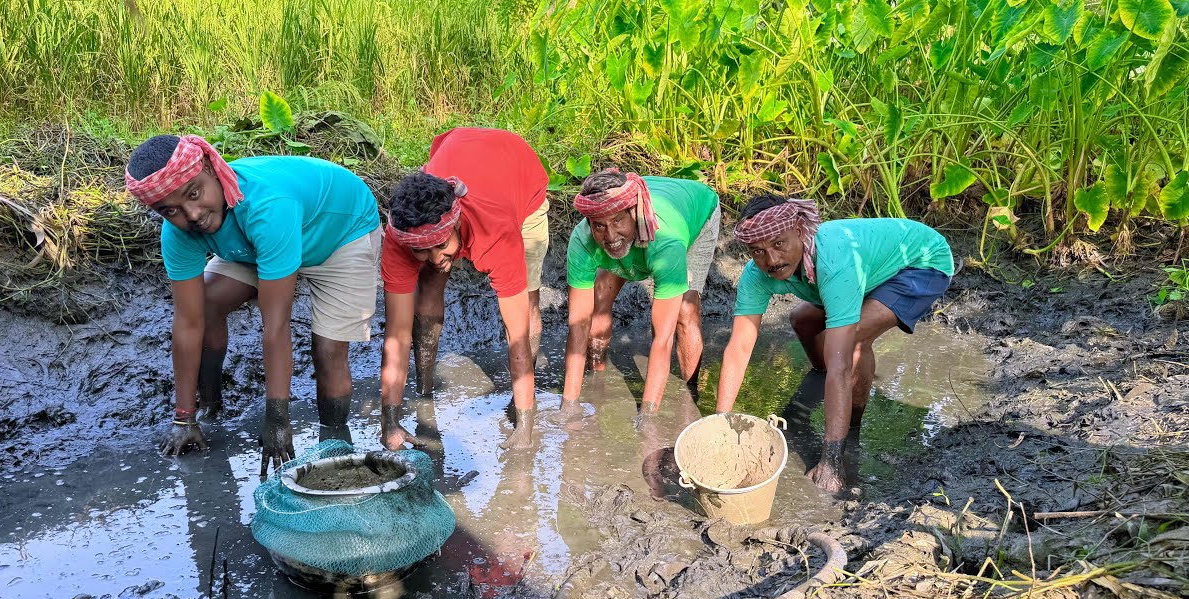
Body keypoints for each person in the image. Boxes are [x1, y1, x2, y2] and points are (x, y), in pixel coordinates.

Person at [125, 134, 382, 472]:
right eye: (170, 210)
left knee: (328, 350)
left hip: (339, 231)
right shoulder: (180, 231)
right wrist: (183, 419)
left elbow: (275, 325)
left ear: (211, 169)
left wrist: (277, 419)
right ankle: (211, 408)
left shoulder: (266, 206)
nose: (192, 215)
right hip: (257, 241)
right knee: (207, 304)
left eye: (194, 193)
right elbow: (188, 323)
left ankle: (334, 444)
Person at [716, 195, 954, 491]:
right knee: (802, 321)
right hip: (866, 269)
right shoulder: (757, 274)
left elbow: (842, 363)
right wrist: (719, 423)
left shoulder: (833, 260)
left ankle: (851, 429)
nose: (772, 261)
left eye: (779, 244)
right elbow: (739, 347)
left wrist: (830, 461)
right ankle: (821, 376)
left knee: (849, 344)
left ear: (801, 232)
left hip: (920, 264)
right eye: (758, 252)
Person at [379, 127, 549, 451]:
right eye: (420, 250)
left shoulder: (499, 234)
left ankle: (522, 402)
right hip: (458, 147)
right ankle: (424, 392)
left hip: (520, 177)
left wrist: (525, 430)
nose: (434, 258)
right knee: (429, 286)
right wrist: (390, 420)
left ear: (455, 222)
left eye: (441, 245)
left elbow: (517, 335)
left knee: (526, 303)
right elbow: (397, 334)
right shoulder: (402, 234)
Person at [557, 169, 720, 428]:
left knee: (684, 314)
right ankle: (596, 375)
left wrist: (648, 416)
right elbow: (578, 325)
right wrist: (569, 405)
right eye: (599, 226)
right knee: (599, 296)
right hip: (646, 226)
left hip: (696, 212)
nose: (610, 236)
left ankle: (690, 395)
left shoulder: (667, 243)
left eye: (618, 221)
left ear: (634, 212)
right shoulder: (583, 241)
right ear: (589, 224)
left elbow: (662, 339)